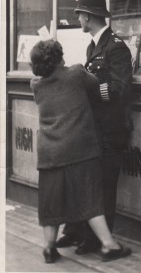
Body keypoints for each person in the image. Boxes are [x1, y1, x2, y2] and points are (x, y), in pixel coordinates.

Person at [30, 39, 132, 263]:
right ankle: (108, 245)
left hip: (49, 152)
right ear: (59, 58)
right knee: (90, 199)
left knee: (51, 202)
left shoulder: (36, 85)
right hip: (79, 149)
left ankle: (48, 247)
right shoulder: (76, 74)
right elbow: (98, 86)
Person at [56, 0, 133, 254]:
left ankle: (100, 240)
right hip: (94, 129)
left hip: (111, 131)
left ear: (88, 16)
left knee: (105, 186)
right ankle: (82, 233)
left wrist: (89, 91)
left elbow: (120, 88)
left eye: (79, 15)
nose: (78, 20)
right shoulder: (94, 46)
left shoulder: (116, 47)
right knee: (90, 183)